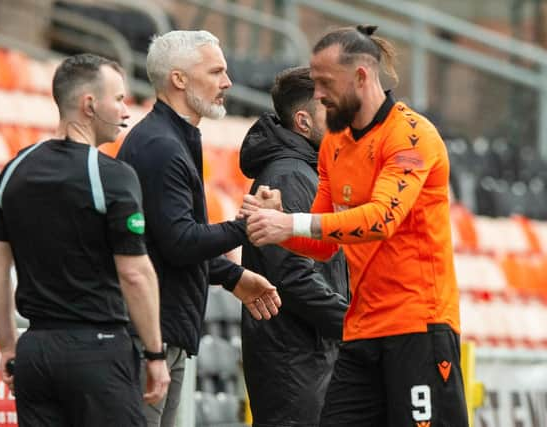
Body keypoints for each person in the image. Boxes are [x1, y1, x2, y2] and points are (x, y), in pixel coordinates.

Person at [242, 26, 469, 427]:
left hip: (417, 325)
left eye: (325, 84)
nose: (319, 96)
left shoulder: (412, 135)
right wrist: (278, 226)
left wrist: (290, 222)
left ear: (361, 77)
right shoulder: (334, 143)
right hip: (361, 329)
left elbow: (381, 219)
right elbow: (324, 244)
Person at [0, 53, 170, 427]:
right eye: (118, 99)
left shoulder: (14, 170)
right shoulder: (113, 176)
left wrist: (7, 345)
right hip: (98, 352)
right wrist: (155, 353)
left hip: (35, 351)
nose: (124, 110)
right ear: (89, 104)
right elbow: (135, 274)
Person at [117, 30, 282, 427]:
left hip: (160, 332)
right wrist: (249, 225)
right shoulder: (161, 145)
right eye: (216, 72)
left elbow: (164, 240)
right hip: (148, 335)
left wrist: (231, 275)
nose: (227, 83)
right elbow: (179, 243)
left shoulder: (172, 138)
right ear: (179, 79)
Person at [238, 66, 349, 427]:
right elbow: (293, 274)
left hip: (308, 358)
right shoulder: (288, 175)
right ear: (303, 121)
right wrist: (353, 324)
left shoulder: (307, 171)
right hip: (294, 363)